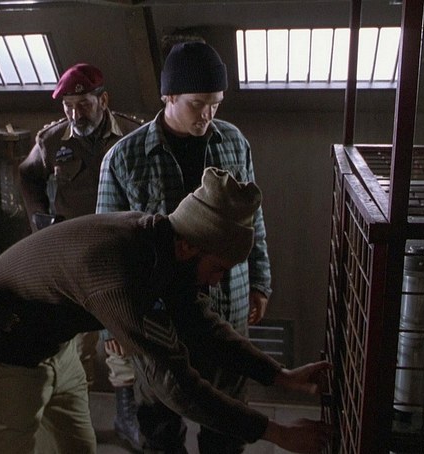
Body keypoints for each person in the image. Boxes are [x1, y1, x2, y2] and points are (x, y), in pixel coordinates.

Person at [0, 167, 333, 454]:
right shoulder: (122, 273)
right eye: (218, 268)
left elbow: (202, 326)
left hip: (56, 348)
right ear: (189, 248)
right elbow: (175, 384)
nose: (218, 281)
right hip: (4, 355)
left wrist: (280, 376)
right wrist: (276, 433)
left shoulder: (165, 246)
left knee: (77, 448)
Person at [96, 40, 272, 453]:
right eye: (198, 104)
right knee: (160, 429)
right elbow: (107, 250)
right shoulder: (125, 157)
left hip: (227, 304)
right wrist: (111, 325)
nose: (208, 114)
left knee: (227, 427)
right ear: (169, 96)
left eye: (216, 104)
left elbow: (254, 219)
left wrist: (260, 281)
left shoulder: (233, 142)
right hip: (159, 317)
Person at [17, 62, 143, 447]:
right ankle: (79, 421)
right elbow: (28, 176)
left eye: (83, 104)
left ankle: (128, 419)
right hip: (72, 256)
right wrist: (41, 224)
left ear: (103, 100)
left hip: (120, 252)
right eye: (68, 106)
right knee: (78, 343)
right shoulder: (53, 140)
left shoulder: (133, 134)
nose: (75, 114)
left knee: (122, 335)